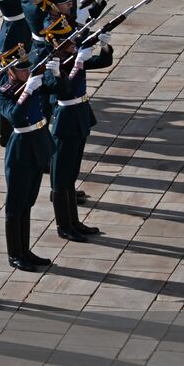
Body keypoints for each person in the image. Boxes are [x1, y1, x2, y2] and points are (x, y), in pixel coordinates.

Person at [41, 16, 113, 241]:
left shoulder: (73, 57)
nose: (74, 44)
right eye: (68, 41)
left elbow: (103, 62)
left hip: (80, 116)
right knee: (61, 178)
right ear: (56, 43)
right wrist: (78, 63)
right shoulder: (50, 65)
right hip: (65, 120)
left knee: (71, 174)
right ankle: (64, 226)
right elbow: (61, 90)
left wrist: (104, 45)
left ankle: (74, 221)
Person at [0, 44, 56, 271]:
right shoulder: (4, 94)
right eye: (21, 70)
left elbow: (59, 88)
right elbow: (15, 116)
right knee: (15, 205)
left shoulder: (33, 80)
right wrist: (27, 91)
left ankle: (25, 249)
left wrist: (56, 71)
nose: (27, 72)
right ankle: (14, 254)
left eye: (28, 68)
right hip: (21, 148)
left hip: (38, 143)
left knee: (28, 201)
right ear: (10, 72)